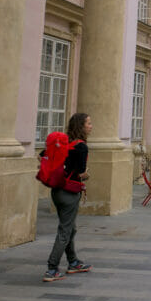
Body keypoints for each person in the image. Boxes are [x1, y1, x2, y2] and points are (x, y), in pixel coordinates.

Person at [44, 112, 92, 282]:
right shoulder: (81, 147)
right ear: (81, 126)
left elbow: (42, 155)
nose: (90, 126)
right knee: (65, 230)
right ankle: (52, 268)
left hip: (56, 191)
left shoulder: (63, 142)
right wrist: (86, 176)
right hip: (70, 193)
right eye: (88, 123)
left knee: (70, 228)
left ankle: (73, 262)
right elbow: (80, 173)